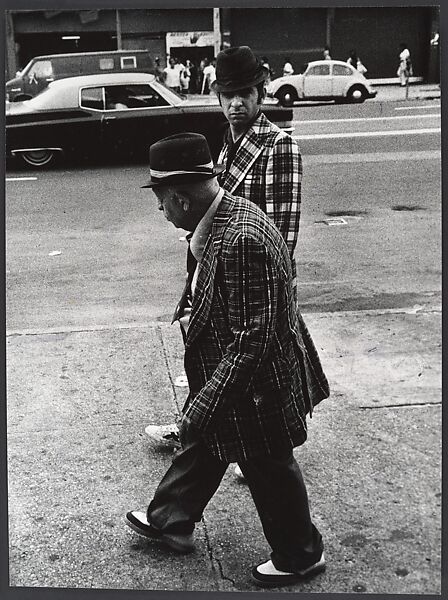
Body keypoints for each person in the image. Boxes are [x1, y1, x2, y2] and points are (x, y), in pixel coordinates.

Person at [127, 132, 330, 587]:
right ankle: (170, 519)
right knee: (208, 441)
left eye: (160, 201)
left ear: (179, 198)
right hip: (243, 378)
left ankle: (300, 556)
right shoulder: (226, 217)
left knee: (267, 464)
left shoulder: (240, 240)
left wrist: (204, 401)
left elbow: (252, 341)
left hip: (257, 386)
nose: (160, 211)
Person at [145, 46, 303, 482]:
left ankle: (240, 447)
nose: (236, 104)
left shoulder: (278, 147)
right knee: (218, 367)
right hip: (220, 273)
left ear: (261, 92)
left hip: (251, 280)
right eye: (227, 95)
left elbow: (283, 235)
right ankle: (206, 445)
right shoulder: (228, 145)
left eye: (245, 94)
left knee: (248, 375)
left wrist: (271, 296)